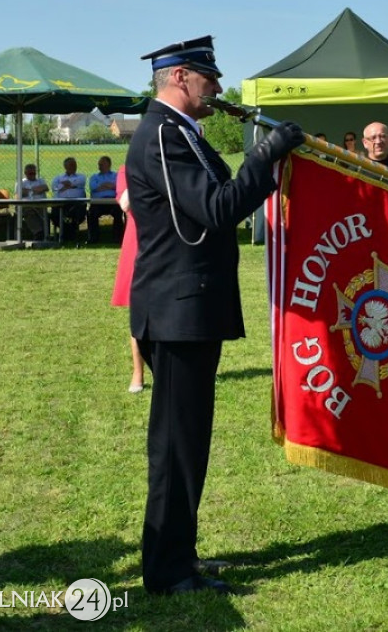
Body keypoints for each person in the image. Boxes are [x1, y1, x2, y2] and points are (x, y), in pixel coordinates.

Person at [127, 34, 304, 596]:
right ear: (180, 76)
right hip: (177, 311)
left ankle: (181, 551)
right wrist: (264, 155)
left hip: (192, 309)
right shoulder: (162, 135)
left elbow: (220, 197)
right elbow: (217, 209)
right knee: (177, 446)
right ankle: (169, 569)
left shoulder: (183, 134)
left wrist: (265, 163)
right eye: (210, 77)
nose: (219, 88)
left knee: (189, 442)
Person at [111, 165, 144, 394]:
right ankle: (138, 372)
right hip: (138, 245)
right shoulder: (127, 170)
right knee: (139, 313)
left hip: (170, 243)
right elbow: (125, 203)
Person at [87, 156, 125, 244]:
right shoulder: (94, 177)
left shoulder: (116, 175)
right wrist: (110, 186)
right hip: (98, 202)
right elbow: (93, 187)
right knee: (92, 213)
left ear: (109, 164)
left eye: (102, 164)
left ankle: (117, 238)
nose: (99, 165)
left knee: (118, 213)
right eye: (99, 164)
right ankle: (93, 238)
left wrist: (102, 186)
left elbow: (118, 187)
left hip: (113, 202)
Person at [50, 157, 87, 240]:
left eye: (74, 165)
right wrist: (72, 186)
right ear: (65, 167)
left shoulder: (81, 176)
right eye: (71, 165)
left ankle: (68, 235)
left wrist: (64, 185)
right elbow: (54, 187)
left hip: (77, 204)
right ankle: (68, 235)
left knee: (76, 215)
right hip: (60, 204)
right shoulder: (58, 177)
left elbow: (80, 182)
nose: (74, 167)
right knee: (56, 215)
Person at [19, 163, 49, 240]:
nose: (33, 175)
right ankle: (38, 232)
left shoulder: (40, 180)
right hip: (26, 205)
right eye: (30, 173)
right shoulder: (21, 182)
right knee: (29, 212)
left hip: (41, 205)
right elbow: (18, 194)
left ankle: (45, 234)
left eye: (34, 173)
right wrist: (34, 190)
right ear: (25, 173)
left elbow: (45, 188)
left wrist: (28, 191)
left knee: (45, 214)